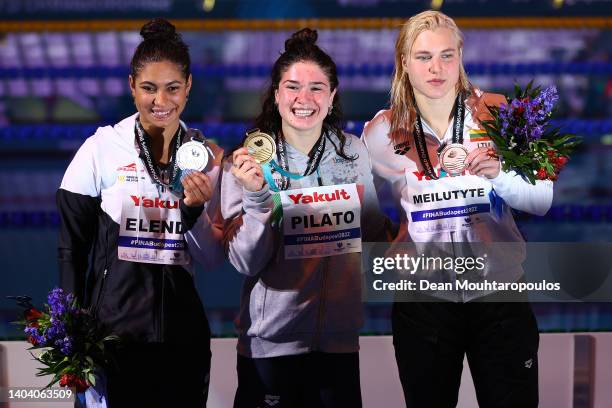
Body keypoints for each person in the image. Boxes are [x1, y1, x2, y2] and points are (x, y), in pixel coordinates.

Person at [362, 10, 553, 408]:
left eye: (447, 55)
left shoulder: (502, 112)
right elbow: (368, 213)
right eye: (424, 57)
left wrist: (500, 175)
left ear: (461, 56)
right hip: (424, 303)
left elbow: (542, 200)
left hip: (500, 296)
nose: (437, 68)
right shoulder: (380, 132)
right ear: (404, 63)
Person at [56, 18, 223, 407]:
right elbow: (71, 249)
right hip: (113, 342)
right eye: (148, 88)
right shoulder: (100, 149)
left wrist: (193, 212)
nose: (160, 102)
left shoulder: (206, 156)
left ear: (189, 87)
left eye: (172, 89)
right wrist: (72, 334)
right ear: (132, 85)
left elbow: (213, 259)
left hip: (183, 343)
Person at [221, 28, 388, 408]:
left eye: (317, 87)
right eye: (293, 86)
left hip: (339, 342)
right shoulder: (247, 162)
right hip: (271, 345)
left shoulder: (352, 151)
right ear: (277, 95)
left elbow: (374, 231)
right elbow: (246, 261)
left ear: (332, 96)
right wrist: (255, 196)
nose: (304, 98)